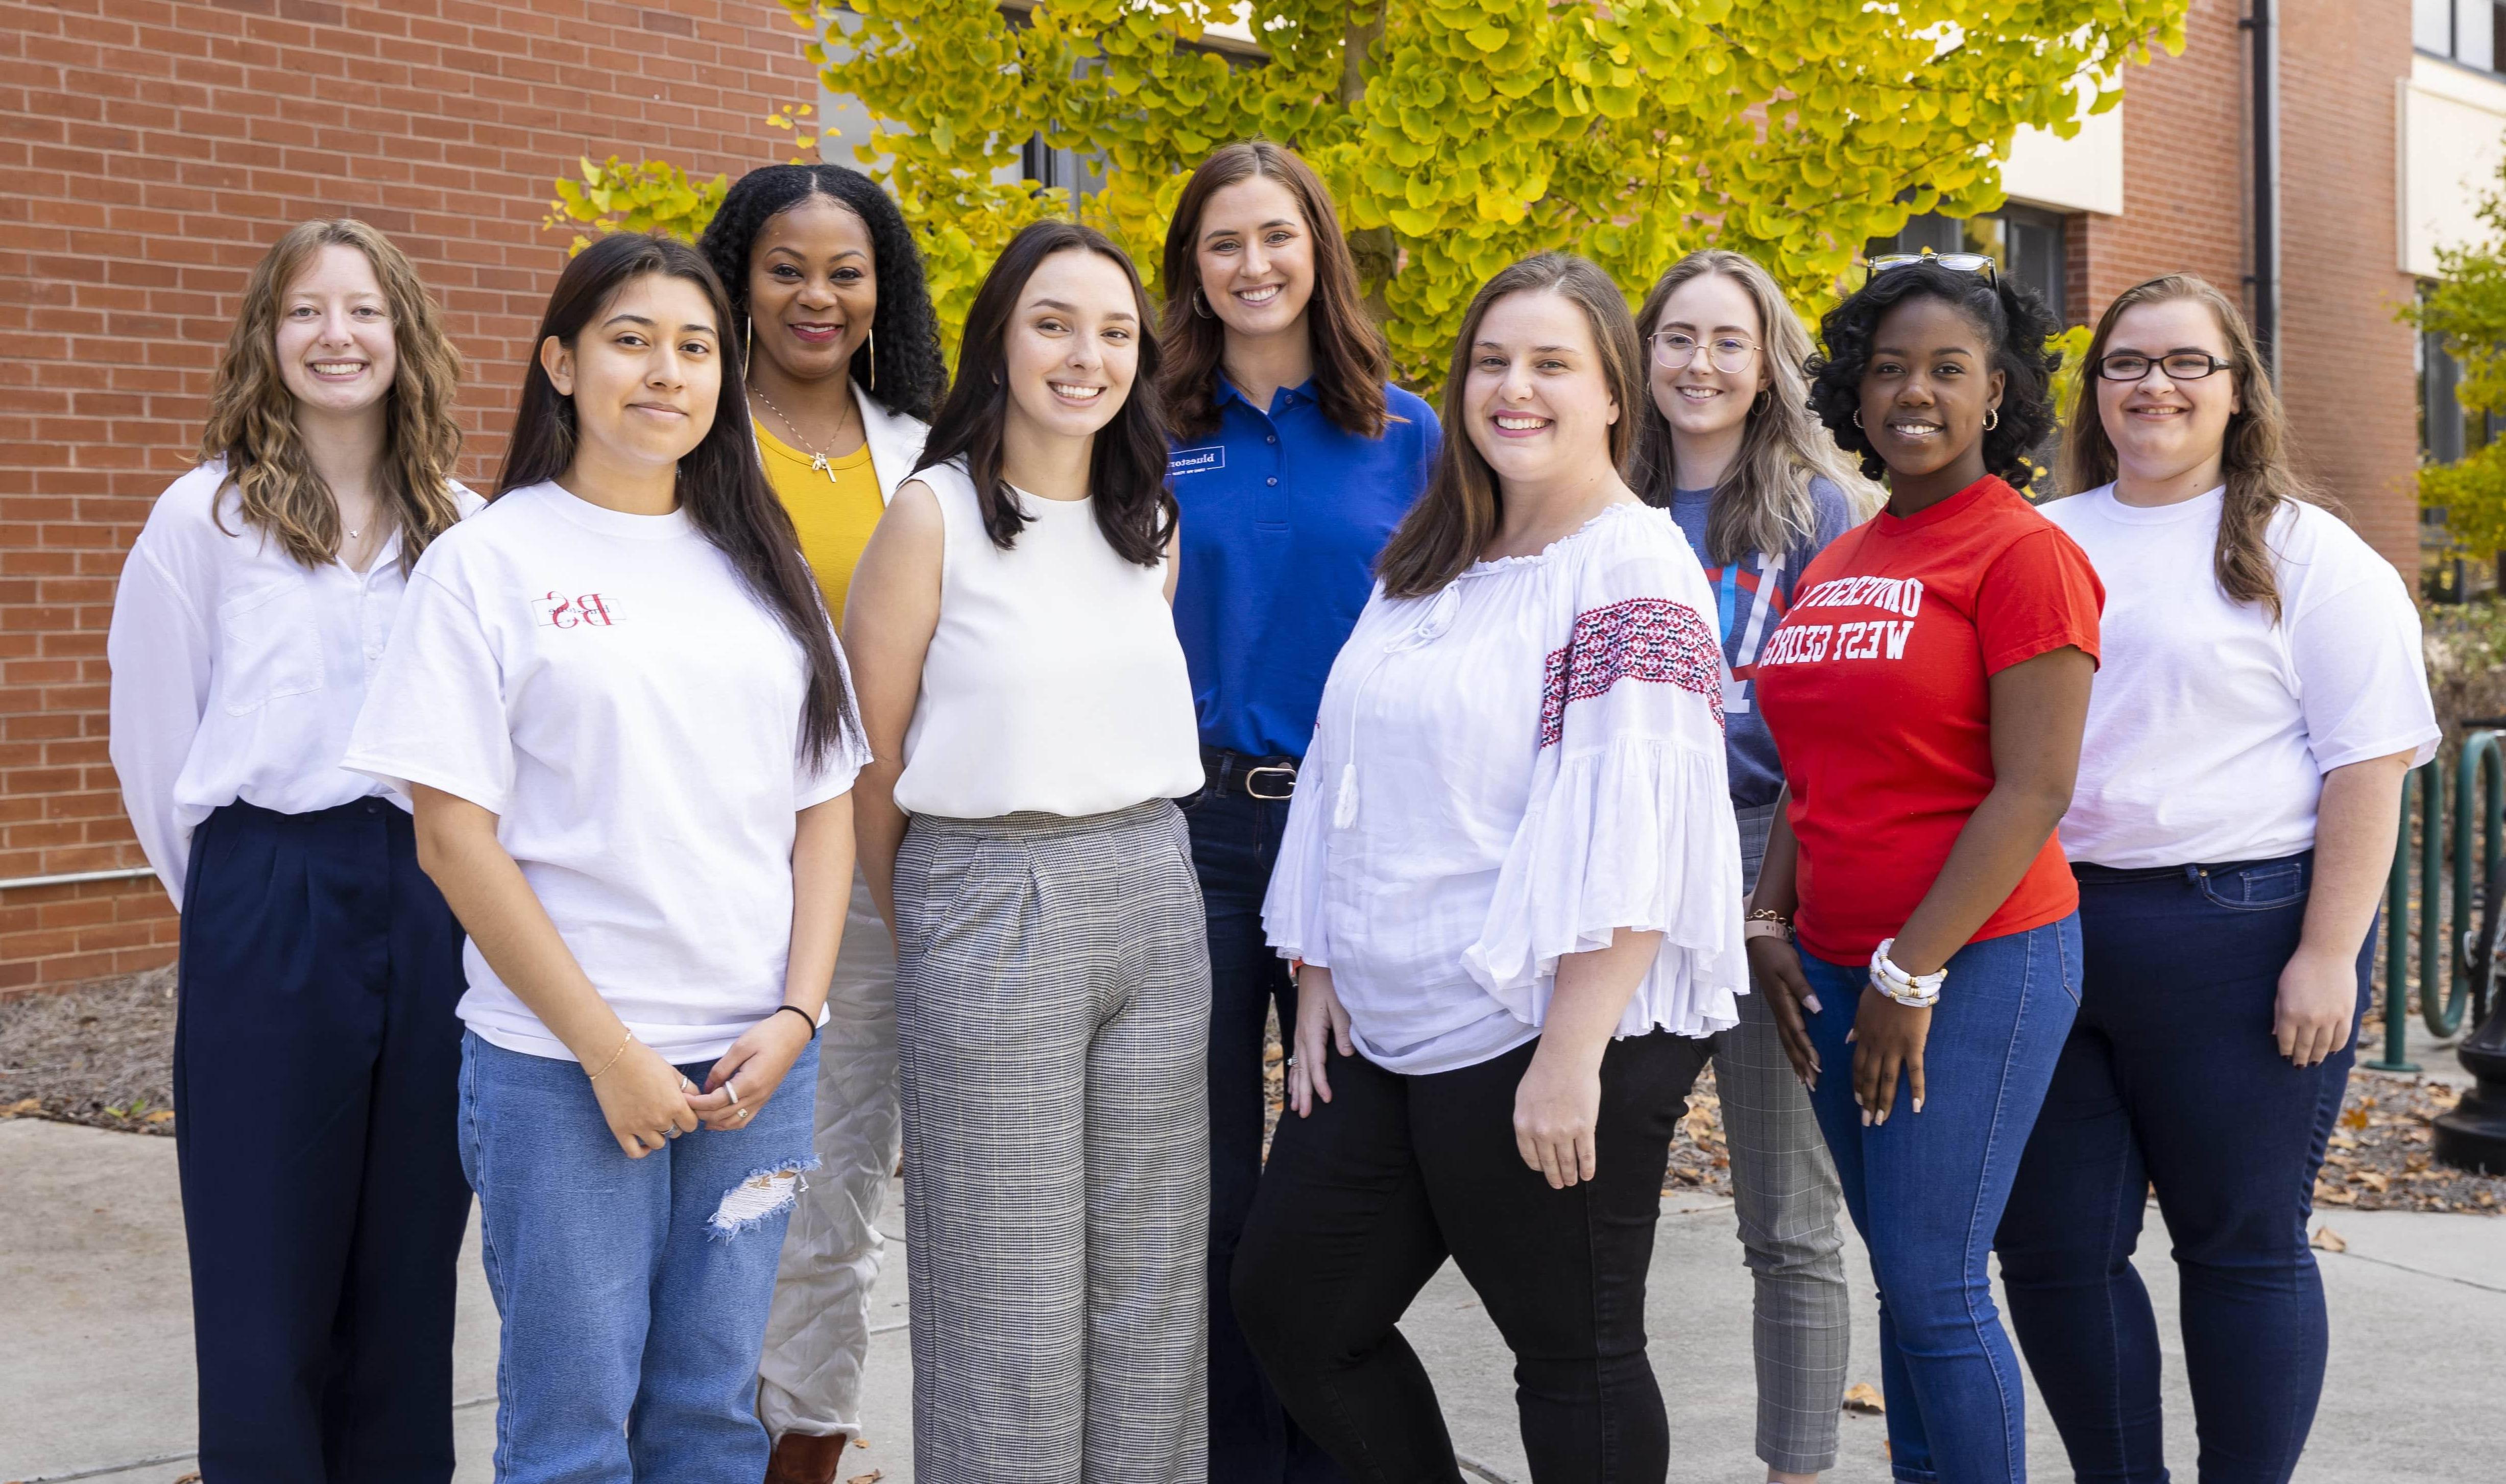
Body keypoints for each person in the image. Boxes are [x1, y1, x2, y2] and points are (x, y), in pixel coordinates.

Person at [341, 232, 868, 1481]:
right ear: (561, 364)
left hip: (754, 1067)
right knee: (572, 1426)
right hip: (558, 1070)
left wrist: (799, 1012)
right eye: (631, 340)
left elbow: (826, 805)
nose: (665, 372)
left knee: (708, 1412)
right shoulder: (491, 562)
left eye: (695, 348)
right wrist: (611, 1052)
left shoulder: (763, 563)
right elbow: (451, 835)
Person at [1232, 252, 1744, 1482]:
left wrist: (1572, 1051)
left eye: (1553, 364)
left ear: (1617, 392)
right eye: (1494, 362)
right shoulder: (1432, 557)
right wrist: (1317, 959)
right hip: (1386, 1008)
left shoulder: (1632, 565)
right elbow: (1350, 767)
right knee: (1293, 1311)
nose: (1516, 389)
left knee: (1571, 1353)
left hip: (1546, 1019)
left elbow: (1646, 823)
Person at [1995, 275, 2438, 1484]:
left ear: (2239, 390)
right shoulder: (2044, 537)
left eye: (2188, 363)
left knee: (2239, 1245)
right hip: (2045, 929)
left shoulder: (2308, 551)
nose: (2156, 385)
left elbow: (2369, 763)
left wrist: (2327, 954)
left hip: (2237, 937)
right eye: (2129, 362)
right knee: (2051, 1250)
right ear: (2096, 390)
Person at [106, 217, 473, 1484]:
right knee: (265, 1264)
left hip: (435, 896)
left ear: (403, 334)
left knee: (413, 1256)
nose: (337, 335)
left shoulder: (465, 531)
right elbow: (154, 747)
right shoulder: (202, 519)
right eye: (306, 311)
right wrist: (240, 905)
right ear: (268, 336)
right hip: (268, 892)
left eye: (364, 310)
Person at [843, 218, 1209, 1484]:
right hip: (991, 889)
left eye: (1116, 332)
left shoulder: (1149, 521)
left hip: (1155, 887)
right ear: (1001, 334)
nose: (1086, 355)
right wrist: (938, 922)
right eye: (1055, 322)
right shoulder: (930, 516)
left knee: (1152, 1277)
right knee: (1008, 1287)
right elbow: (871, 766)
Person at [1747, 255, 2102, 1484]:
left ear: (1995, 393)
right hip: (1838, 964)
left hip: (1976, 961)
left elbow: (2034, 788)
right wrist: (1765, 916)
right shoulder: (1844, 556)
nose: (1915, 391)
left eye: (1948, 369)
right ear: (1855, 389)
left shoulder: (2022, 554)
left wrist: (1910, 971)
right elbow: (1812, 761)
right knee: (1904, 1270)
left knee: (1937, 1280)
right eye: (1890, 368)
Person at [1155, 137, 1439, 1484]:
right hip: (1198, 838)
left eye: (1275, 236)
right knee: (1210, 1195)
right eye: (1223, 242)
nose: (1251, 263)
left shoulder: (1410, 427)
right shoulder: (1151, 427)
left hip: (1355, 842)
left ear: (1317, 249)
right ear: (1192, 270)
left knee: (1331, 1200)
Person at [695, 161, 945, 1484]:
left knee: (833, 1183)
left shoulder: (928, 445)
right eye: (786, 266)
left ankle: (799, 1451)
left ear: (879, 287)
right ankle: (683, 1435)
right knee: (701, 1186)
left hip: (871, 866)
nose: (816, 294)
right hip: (705, 866)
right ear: (738, 275)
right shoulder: (682, 429)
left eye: (844, 269)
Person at [1629, 247, 1865, 1484]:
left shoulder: (1821, 513)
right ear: (1644, 352)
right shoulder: (1596, 496)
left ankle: (1799, 1467)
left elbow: (1844, 721)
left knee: (1787, 1212)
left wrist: (1786, 885)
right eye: (1677, 337)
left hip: (1774, 852)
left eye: (1728, 339)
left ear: (1768, 359)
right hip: (1627, 861)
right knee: (1599, 1195)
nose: (1700, 363)